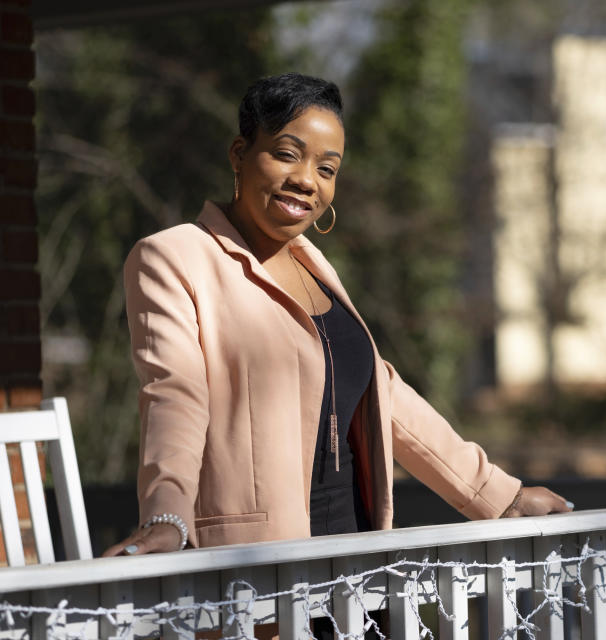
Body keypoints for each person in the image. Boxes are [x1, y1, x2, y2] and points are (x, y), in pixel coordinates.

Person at [104, 73, 570, 557]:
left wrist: (501, 497)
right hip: (259, 567)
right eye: (287, 154)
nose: (307, 180)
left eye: (327, 169)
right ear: (239, 153)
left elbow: (381, 392)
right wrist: (165, 517)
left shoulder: (312, 262)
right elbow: (173, 395)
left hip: (356, 554)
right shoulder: (173, 257)